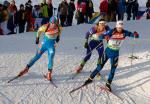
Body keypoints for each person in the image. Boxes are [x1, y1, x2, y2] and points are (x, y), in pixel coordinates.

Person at [84, 20, 139, 91]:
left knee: (113, 70)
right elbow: (102, 36)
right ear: (116, 26)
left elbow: (133, 35)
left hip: (115, 54)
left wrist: (135, 35)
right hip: (107, 52)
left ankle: (108, 84)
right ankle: (90, 78)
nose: (120, 29)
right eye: (118, 27)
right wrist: (104, 36)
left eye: (121, 28)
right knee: (100, 66)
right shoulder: (112, 31)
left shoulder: (125, 32)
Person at [17, 16, 62, 81]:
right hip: (44, 44)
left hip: (51, 46)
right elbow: (39, 31)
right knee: (36, 57)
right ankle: (26, 68)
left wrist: (58, 37)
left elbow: (59, 32)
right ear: (50, 22)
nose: (53, 25)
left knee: (51, 57)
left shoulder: (59, 27)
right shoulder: (45, 26)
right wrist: (37, 38)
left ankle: (49, 73)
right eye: (52, 23)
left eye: (55, 23)